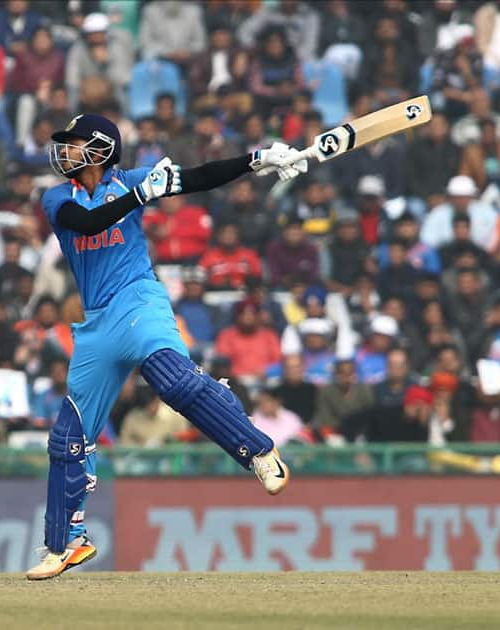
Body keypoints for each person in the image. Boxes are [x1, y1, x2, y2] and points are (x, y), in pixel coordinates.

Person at [25, 113, 301, 580]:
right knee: (68, 438)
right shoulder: (57, 198)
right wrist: (141, 195)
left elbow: (200, 177)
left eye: (74, 144)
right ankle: (65, 543)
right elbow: (88, 224)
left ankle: (257, 450)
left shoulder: (132, 180)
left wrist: (258, 161)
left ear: (101, 148)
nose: (66, 152)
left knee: (172, 382)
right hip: (96, 323)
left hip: (139, 299)